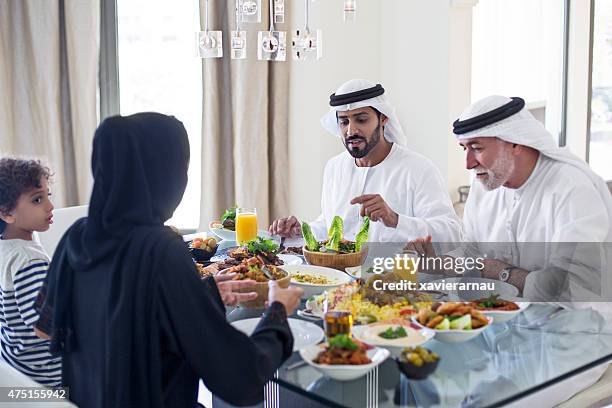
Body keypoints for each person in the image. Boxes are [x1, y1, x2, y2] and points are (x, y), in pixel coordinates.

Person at [37, 113, 304, 407]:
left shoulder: (76, 237)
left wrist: (202, 294)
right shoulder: (161, 249)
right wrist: (278, 312)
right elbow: (238, 377)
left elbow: (50, 327)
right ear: (164, 174)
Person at [408, 95, 612, 405]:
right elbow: (472, 252)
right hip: (503, 324)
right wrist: (437, 264)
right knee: (416, 363)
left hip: (573, 335)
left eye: (477, 148)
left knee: (487, 400)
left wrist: (499, 271)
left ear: (515, 142)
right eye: (465, 149)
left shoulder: (572, 188)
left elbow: (567, 289)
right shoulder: (485, 183)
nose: (467, 163)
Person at [270, 79, 461, 243]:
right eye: (344, 122)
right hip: (340, 281)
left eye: (361, 119)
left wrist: (395, 219)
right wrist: (300, 230)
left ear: (383, 118)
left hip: (396, 280)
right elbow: (330, 225)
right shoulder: (334, 167)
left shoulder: (418, 169)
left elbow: (452, 233)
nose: (351, 131)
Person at [0, 158, 61, 386]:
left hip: (15, 369)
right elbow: (45, 327)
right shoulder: (29, 260)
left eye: (48, 196)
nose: (50, 206)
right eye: (37, 199)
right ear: (6, 213)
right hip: (46, 380)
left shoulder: (6, 248)